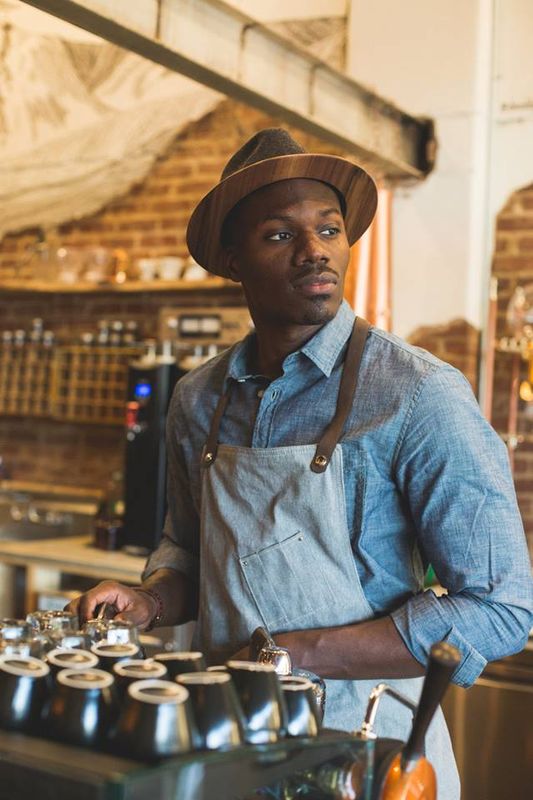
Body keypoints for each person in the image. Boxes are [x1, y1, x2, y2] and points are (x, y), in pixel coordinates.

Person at [68, 128, 533, 798]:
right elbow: (194, 552)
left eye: (329, 229)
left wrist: (298, 653)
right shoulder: (197, 400)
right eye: (280, 235)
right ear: (232, 259)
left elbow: (501, 608)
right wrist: (147, 601)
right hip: (230, 742)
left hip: (369, 752)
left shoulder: (414, 393)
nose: (315, 251)